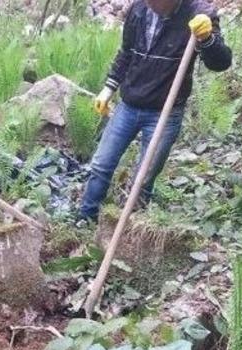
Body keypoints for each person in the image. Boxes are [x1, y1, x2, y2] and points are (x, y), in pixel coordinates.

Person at [78, 0, 232, 222]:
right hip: (129, 104)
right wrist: (108, 89)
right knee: (101, 164)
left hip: (165, 113)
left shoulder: (200, 14)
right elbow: (126, 53)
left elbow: (220, 63)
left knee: (144, 177)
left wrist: (207, 39)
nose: (150, 4)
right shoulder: (139, 9)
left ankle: (131, 228)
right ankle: (86, 218)